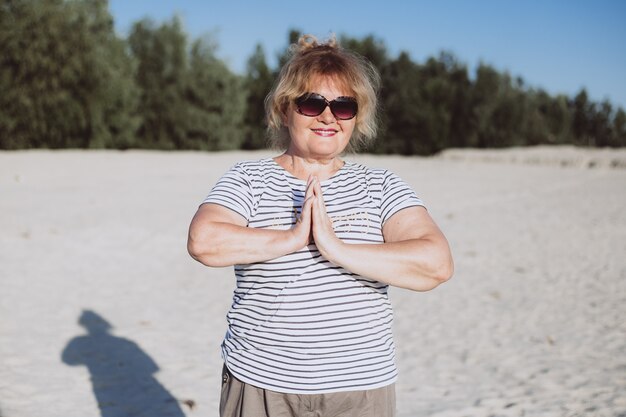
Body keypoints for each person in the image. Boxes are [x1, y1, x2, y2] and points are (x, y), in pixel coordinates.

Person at [187, 34, 454, 417]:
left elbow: (436, 263)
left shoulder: (381, 186)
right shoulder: (248, 179)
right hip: (260, 384)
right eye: (312, 103)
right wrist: (293, 238)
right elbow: (203, 240)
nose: (328, 116)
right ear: (284, 109)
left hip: (361, 390)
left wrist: (336, 249)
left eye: (344, 106)